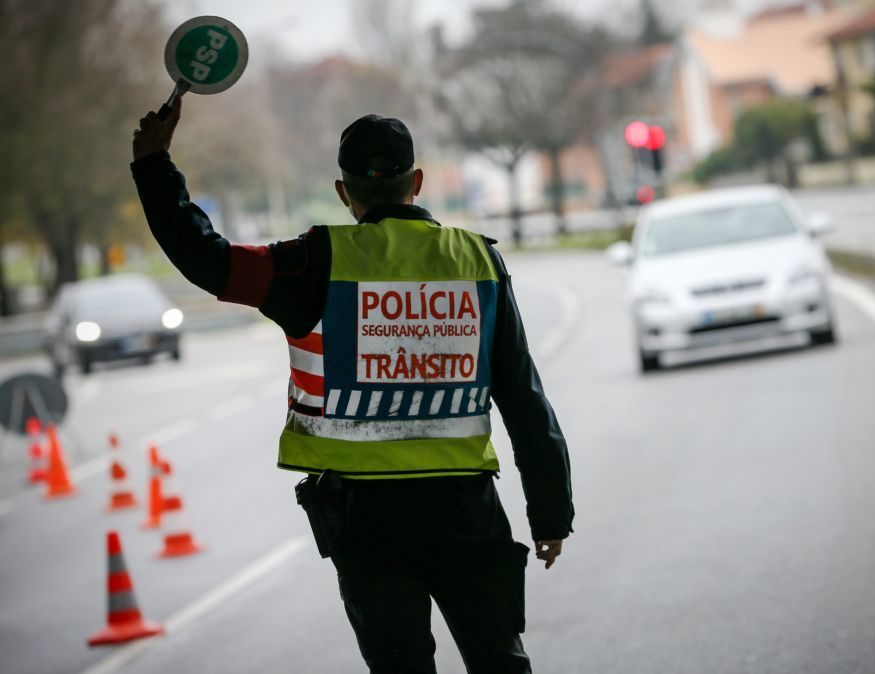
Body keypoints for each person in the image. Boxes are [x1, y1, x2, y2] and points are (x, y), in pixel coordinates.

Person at [131, 97, 574, 674]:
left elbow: (204, 257)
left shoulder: (312, 263)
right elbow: (522, 396)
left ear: (345, 193)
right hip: (467, 510)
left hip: (367, 523)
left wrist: (153, 163)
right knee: (499, 662)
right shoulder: (476, 260)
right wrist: (550, 513)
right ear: (416, 181)